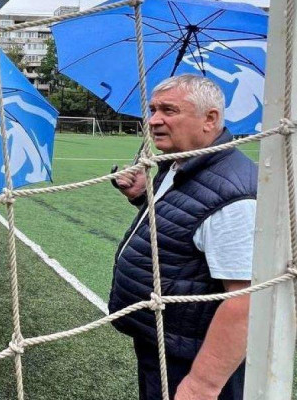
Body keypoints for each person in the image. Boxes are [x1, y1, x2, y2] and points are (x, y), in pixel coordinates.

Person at [110, 74, 256, 400]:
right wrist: (142, 196)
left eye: (169, 110)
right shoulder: (181, 163)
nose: (153, 120)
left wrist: (201, 384)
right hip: (164, 340)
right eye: (152, 110)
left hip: (191, 357)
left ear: (210, 119)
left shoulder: (235, 196)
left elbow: (246, 300)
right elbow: (184, 222)